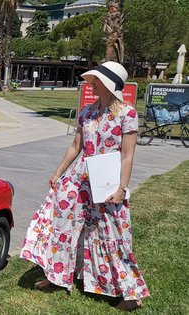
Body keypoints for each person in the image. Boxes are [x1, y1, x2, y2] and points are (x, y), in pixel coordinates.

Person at [20, 61, 149, 311]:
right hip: (81, 177)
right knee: (63, 225)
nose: (92, 84)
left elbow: (127, 155)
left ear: (110, 85)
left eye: (97, 81)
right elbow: (76, 146)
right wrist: (58, 172)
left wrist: (122, 187)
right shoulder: (87, 112)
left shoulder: (127, 113)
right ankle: (57, 275)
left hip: (108, 179)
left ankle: (131, 294)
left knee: (112, 234)